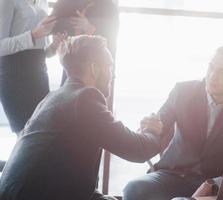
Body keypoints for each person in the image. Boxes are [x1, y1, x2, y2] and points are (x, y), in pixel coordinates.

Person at [0, 35, 163, 200]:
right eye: (109, 67)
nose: (113, 76)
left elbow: (62, 167)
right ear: (94, 69)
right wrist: (152, 130)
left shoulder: (57, 96)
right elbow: (137, 150)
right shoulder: (85, 99)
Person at [123, 45, 223, 200]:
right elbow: (158, 127)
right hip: (171, 174)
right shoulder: (182, 91)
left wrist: (215, 184)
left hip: (213, 182)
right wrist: (149, 127)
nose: (213, 76)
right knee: (133, 188)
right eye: (211, 67)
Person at [0, 0, 64, 134]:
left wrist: (53, 47)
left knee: (42, 132)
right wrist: (33, 34)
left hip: (39, 75)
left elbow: (42, 51)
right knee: (24, 134)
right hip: (14, 75)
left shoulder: (43, 2)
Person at [50, 0, 119, 86]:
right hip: (72, 70)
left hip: (98, 71)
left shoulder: (109, 8)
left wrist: (91, 29)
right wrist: (60, 42)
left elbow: (111, 43)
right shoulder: (68, 4)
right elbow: (53, 27)